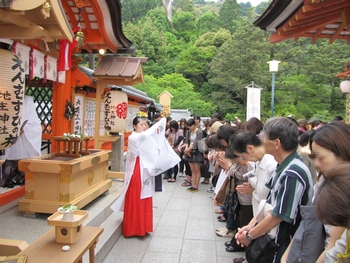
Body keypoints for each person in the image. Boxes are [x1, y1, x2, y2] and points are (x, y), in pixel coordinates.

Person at [235, 117, 313, 263]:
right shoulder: (283, 166)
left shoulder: (293, 172)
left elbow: (279, 215)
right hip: (274, 237)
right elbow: (268, 200)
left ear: (277, 143)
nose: (261, 141)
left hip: (283, 242)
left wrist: (250, 235)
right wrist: (250, 225)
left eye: (264, 137)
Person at [281, 121, 350, 263]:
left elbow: (333, 246)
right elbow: (308, 219)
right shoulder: (323, 182)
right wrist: (287, 255)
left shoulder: (342, 192)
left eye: (321, 157)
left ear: (343, 153)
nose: (317, 164)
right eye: (314, 157)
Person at [111, 116, 180, 237]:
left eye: (145, 124)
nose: (144, 126)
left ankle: (144, 226)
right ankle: (133, 228)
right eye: (141, 124)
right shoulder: (133, 137)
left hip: (144, 168)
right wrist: (159, 124)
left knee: (145, 196)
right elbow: (145, 137)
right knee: (136, 195)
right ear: (134, 126)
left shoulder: (144, 136)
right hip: (136, 169)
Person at [0, 95, 42, 188]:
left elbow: (36, 126)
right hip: (9, 140)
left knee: (25, 172)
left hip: (23, 141)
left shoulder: (27, 101)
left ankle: (23, 181)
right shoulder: (4, 98)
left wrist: (25, 128)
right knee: (7, 166)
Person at [183, 118, 204, 192]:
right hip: (189, 152)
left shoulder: (199, 132)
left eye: (190, 126)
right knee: (192, 170)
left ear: (194, 125)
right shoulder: (188, 132)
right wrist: (186, 149)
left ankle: (196, 185)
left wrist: (188, 149)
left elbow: (196, 143)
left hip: (196, 152)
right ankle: (193, 185)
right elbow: (186, 141)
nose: (189, 128)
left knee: (197, 169)